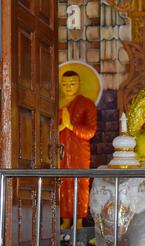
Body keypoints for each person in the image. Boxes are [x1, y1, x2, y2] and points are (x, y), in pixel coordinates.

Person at [59, 71, 97, 230]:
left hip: (79, 150)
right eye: (65, 84)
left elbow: (91, 132)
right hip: (59, 148)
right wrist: (61, 127)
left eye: (72, 83)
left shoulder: (86, 104)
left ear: (79, 83)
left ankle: (80, 219)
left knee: (80, 182)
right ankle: (65, 218)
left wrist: (71, 127)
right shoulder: (55, 103)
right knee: (61, 182)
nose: (68, 87)